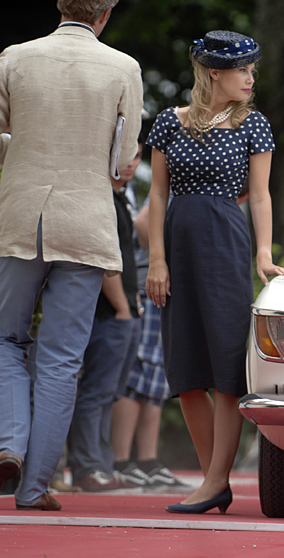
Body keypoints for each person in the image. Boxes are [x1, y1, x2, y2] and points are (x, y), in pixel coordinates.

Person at [0, 0, 143, 511]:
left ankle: (9, 443)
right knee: (62, 359)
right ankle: (35, 486)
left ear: (60, 4)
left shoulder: (15, 57)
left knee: (7, 340)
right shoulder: (122, 67)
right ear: (105, 14)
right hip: (86, 221)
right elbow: (124, 160)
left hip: (18, 216)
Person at [146, 30, 284, 515]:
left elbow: (262, 195)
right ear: (213, 72)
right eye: (242, 70)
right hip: (177, 245)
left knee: (226, 370)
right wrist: (157, 259)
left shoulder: (253, 125)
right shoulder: (170, 122)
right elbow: (157, 196)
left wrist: (263, 254)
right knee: (186, 371)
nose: (251, 78)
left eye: (252, 69)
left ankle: (212, 482)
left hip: (225, 245)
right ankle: (215, 481)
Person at [65, 149, 144, 492]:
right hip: (108, 312)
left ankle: (102, 464)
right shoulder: (102, 200)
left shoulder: (122, 198)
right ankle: (86, 467)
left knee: (109, 393)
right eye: (125, 154)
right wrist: (122, 306)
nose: (131, 162)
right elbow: (102, 258)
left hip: (126, 309)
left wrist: (132, 303)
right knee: (95, 392)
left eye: (137, 156)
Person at [110, 195, 189, 491]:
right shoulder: (170, 185)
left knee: (157, 378)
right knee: (139, 372)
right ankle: (121, 460)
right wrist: (162, 258)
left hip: (165, 293)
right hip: (150, 287)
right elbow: (143, 222)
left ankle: (147, 460)